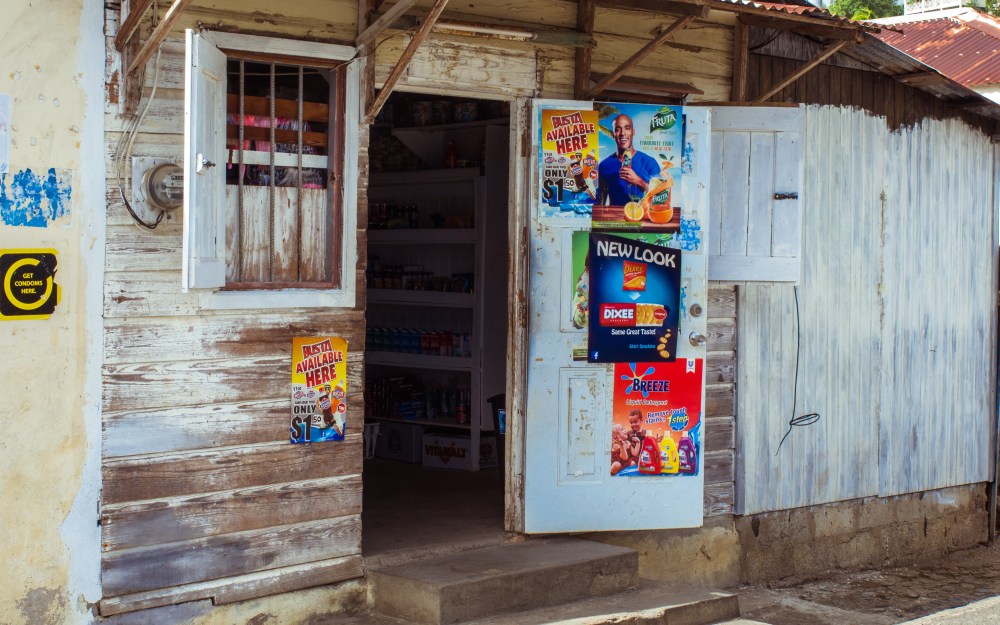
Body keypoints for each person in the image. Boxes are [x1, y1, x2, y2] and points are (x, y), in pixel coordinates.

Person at [597, 114, 660, 206]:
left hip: (642, 217)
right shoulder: (604, 165)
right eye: (618, 129)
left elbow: (660, 198)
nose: (623, 133)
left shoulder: (649, 162)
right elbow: (600, 203)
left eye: (627, 128)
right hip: (615, 219)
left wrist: (639, 181)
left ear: (633, 132)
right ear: (613, 134)